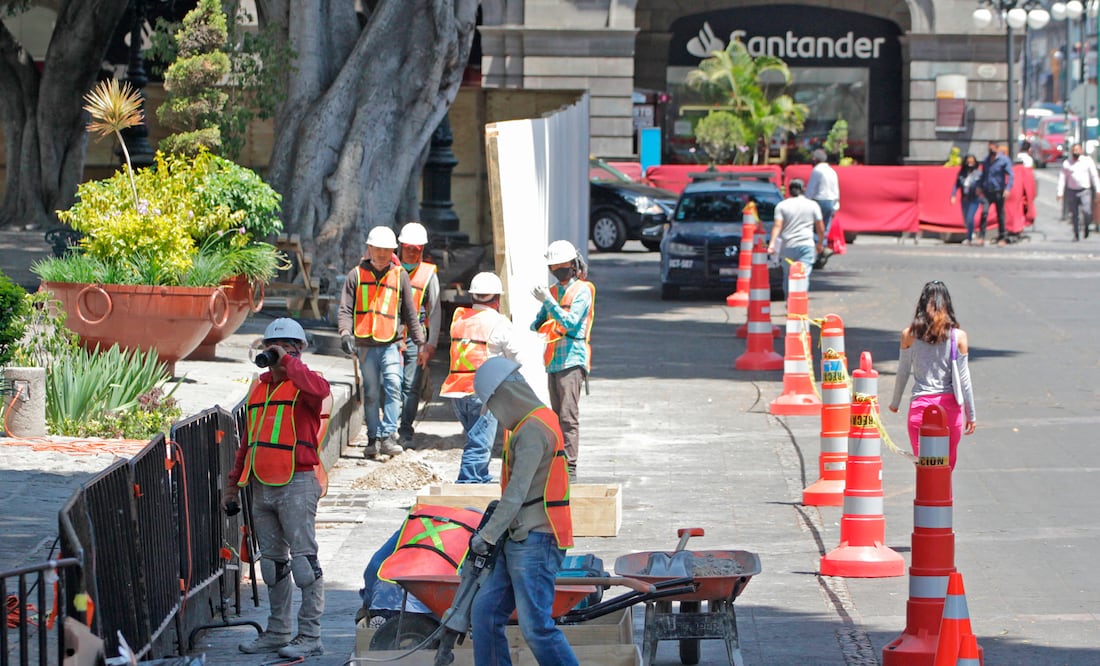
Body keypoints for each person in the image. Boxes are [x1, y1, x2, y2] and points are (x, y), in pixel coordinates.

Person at [222, 318, 331, 658]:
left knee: (304, 563)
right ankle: (278, 632)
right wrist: (231, 486)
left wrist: (290, 363)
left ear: (298, 350)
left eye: (284, 347)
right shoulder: (258, 389)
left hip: (297, 483)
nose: (276, 354)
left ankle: (310, 636)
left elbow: (320, 391)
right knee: (272, 565)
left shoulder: (306, 383)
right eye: (272, 348)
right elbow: (248, 443)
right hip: (261, 486)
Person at [468, 357, 577, 666]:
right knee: (486, 613)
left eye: (494, 406)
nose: (497, 417)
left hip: (537, 541)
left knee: (536, 628)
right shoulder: (527, 424)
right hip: (518, 537)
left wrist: (486, 536)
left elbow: (516, 494)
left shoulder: (533, 429)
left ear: (505, 395)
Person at [338, 225, 426, 458]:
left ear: (392, 252)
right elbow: (345, 309)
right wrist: (345, 333)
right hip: (366, 345)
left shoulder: (400, 276)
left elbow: (410, 312)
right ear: (369, 249)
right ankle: (373, 439)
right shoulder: (355, 275)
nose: (381, 255)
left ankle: (388, 435)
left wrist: (420, 342)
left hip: (390, 343)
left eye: (386, 251)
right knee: (371, 393)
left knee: (394, 386)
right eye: (377, 249)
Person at [439, 271, 523, 484]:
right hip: (482, 393)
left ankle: (481, 479)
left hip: (457, 391)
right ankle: (469, 485)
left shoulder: (459, 319)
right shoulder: (499, 323)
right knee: (479, 445)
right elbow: (517, 357)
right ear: (497, 299)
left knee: (474, 438)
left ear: (473, 296)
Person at [888, 281, 976, 470]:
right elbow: (963, 378)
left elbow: (903, 371)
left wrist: (895, 403)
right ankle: (945, 500)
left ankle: (925, 501)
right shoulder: (958, 337)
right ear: (948, 305)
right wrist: (971, 414)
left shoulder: (909, 334)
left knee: (925, 470)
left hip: (920, 409)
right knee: (945, 468)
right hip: (950, 410)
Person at [530, 240, 595, 481]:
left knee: (568, 416)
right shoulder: (554, 291)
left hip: (572, 360)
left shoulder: (583, 291)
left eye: (560, 265)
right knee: (557, 417)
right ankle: (557, 465)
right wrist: (540, 318)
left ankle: (570, 468)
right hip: (554, 361)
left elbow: (569, 322)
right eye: (553, 266)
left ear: (572, 264)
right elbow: (538, 322)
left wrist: (548, 301)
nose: (556, 270)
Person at [395, 222, 441, 446]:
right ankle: (388, 429)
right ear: (401, 247)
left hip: (415, 338)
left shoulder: (428, 274)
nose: (412, 252)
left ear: (422, 250)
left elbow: (435, 311)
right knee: (390, 382)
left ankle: (405, 430)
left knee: (410, 385)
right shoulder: (390, 267)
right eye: (408, 248)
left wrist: (430, 344)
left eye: (416, 249)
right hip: (389, 334)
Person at [767, 178, 825, 296]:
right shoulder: (813, 205)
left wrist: (772, 244)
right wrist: (820, 242)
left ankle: (790, 302)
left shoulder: (782, 206)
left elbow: (777, 225)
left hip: (788, 246)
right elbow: (820, 227)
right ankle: (800, 302)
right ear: (803, 189)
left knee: (789, 275)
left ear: (789, 190)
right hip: (806, 245)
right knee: (803, 275)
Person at [1056, 142, 1100, 242]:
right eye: (1074, 150)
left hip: (1085, 190)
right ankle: (1076, 234)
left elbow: (1094, 175)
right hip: (1072, 191)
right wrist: (1060, 192)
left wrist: (1098, 190)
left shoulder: (1087, 161)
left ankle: (1087, 227)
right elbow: (1062, 178)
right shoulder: (1067, 163)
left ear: (1081, 151)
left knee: (1087, 211)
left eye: (1077, 150)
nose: (1075, 152)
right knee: (1074, 214)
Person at [805, 148, 840, 265]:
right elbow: (836, 190)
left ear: (815, 160)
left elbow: (811, 189)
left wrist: (805, 202)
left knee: (814, 229)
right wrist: (836, 206)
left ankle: (818, 251)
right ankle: (822, 249)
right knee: (824, 229)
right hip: (830, 201)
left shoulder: (817, 171)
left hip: (819, 201)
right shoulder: (832, 171)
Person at [978, 141, 1014, 246]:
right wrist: (980, 186)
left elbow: (1011, 175)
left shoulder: (1003, 160)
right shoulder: (986, 160)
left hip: (998, 191)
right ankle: (981, 236)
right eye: (990, 149)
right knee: (984, 213)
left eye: (993, 149)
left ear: (997, 149)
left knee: (1000, 215)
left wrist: (1008, 189)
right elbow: (983, 174)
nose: (991, 151)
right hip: (987, 191)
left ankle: (1002, 237)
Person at [950, 154, 983, 245]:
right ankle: (971, 232)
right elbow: (957, 185)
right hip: (964, 199)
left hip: (974, 198)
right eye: (968, 162)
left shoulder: (978, 173)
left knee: (970, 217)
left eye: (972, 162)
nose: (970, 164)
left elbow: (982, 183)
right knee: (966, 218)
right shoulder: (962, 173)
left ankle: (969, 238)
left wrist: (980, 189)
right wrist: (953, 195)